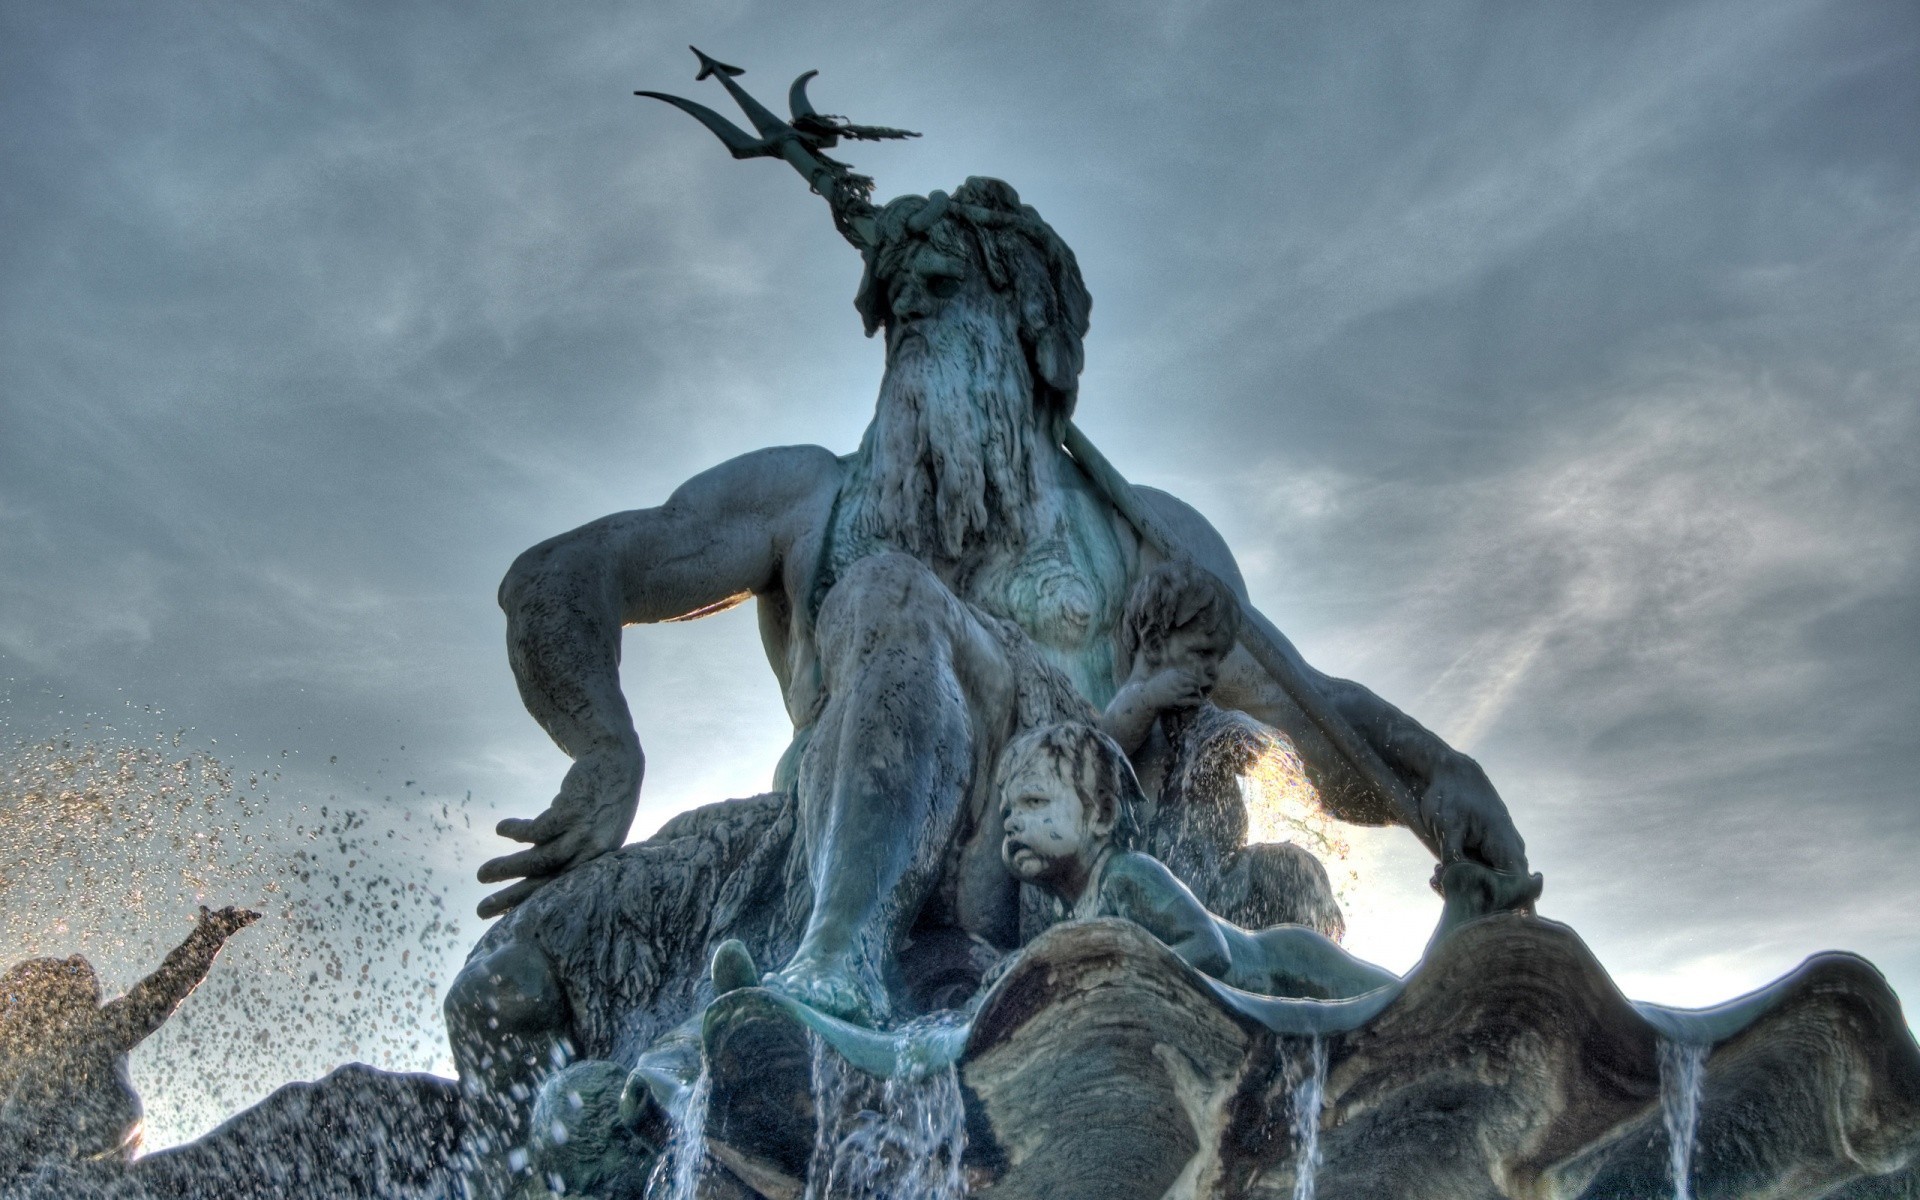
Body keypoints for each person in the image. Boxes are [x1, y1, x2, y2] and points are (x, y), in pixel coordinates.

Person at [482, 170, 1529, 1025]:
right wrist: (603, 747)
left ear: (1035, 335)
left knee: (894, 594)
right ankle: (834, 958)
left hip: (1052, 881)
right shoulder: (808, 500)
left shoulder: (1139, 536)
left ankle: (840, 973)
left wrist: (1443, 781)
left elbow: (1306, 714)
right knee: (507, 986)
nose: (913, 336)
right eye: (899, 317)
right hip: (809, 865)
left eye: (943, 300)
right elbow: (563, 577)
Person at [997, 722, 1396, 1000]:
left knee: (1398, 1002)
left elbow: (1210, 948)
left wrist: (1125, 984)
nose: (1012, 823)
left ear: (1102, 815)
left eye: (1034, 802)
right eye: (1005, 813)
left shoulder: (1127, 873)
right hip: (1265, 994)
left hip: (1289, 968)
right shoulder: (1077, 912)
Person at [0, 905, 260, 1170]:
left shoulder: (92, 1033)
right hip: (52, 1158)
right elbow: (159, 994)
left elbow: (160, 993)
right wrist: (209, 936)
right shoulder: (35, 1050)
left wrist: (208, 937)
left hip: (79, 1155)